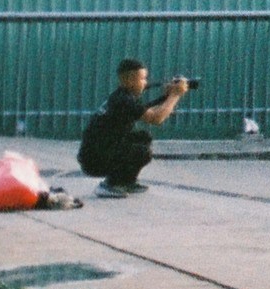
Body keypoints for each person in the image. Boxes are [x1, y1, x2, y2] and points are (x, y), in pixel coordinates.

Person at [76, 60, 190, 195]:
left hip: (98, 151)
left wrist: (167, 96)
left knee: (143, 137)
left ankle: (126, 182)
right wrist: (175, 95)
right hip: (93, 160)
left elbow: (147, 111)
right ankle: (110, 185)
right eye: (142, 78)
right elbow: (156, 118)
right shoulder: (124, 100)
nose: (146, 83)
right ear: (129, 80)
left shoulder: (122, 96)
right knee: (141, 151)